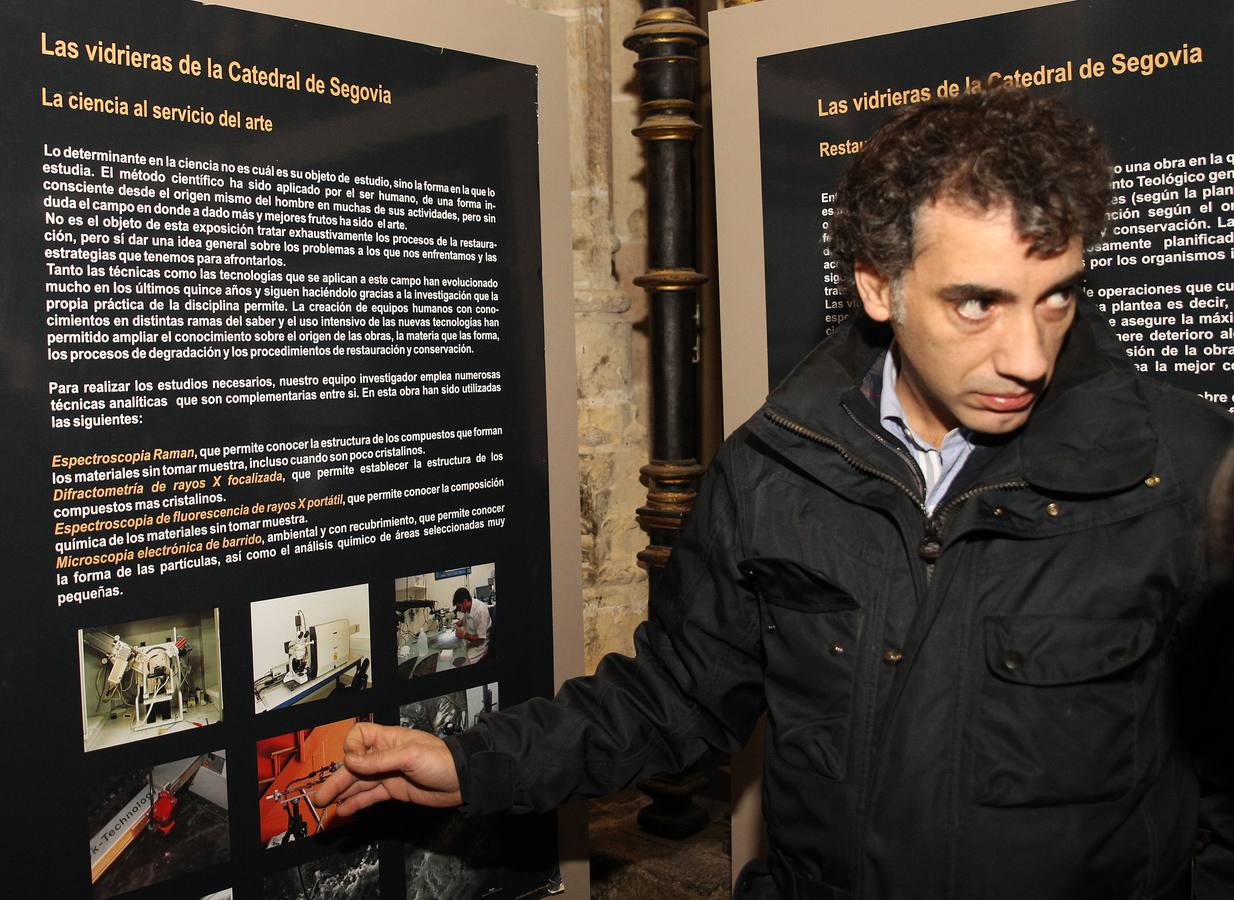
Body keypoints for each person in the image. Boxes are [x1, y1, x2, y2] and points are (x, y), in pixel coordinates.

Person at [318, 89, 1234, 898]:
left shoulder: (1183, 470)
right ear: (879, 287)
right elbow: (674, 695)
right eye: (977, 303)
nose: (1029, 356)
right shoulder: (777, 465)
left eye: (1057, 298)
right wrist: (470, 761)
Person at [452, 587, 490, 664]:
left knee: (461, 662)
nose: (459, 610)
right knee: (455, 652)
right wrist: (458, 623)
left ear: (465, 602)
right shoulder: (469, 606)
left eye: (459, 607)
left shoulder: (480, 611)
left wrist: (464, 635)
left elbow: (480, 640)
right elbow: (466, 619)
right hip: (470, 641)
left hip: (480, 647)